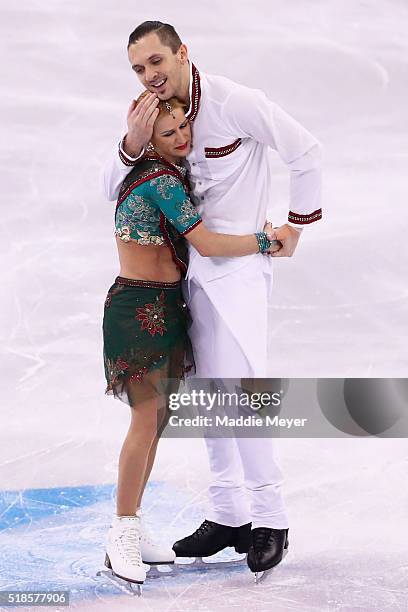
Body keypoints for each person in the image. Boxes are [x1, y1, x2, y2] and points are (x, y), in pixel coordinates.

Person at [102, 21, 322, 575]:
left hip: (238, 274)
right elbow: (112, 184)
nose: (150, 75)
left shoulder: (232, 101)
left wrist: (294, 226)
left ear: (182, 52)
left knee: (243, 396)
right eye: (139, 68)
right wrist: (132, 141)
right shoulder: (149, 114)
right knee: (207, 400)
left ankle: (270, 517)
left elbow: (305, 150)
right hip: (185, 281)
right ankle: (228, 514)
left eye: (157, 62)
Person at [102, 92, 279, 586]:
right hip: (138, 310)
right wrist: (264, 241)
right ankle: (121, 532)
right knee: (144, 422)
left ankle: (134, 521)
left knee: (155, 422)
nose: (182, 138)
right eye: (168, 133)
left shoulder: (166, 172)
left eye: (183, 127)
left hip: (163, 307)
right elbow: (205, 242)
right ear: (149, 141)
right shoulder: (159, 180)